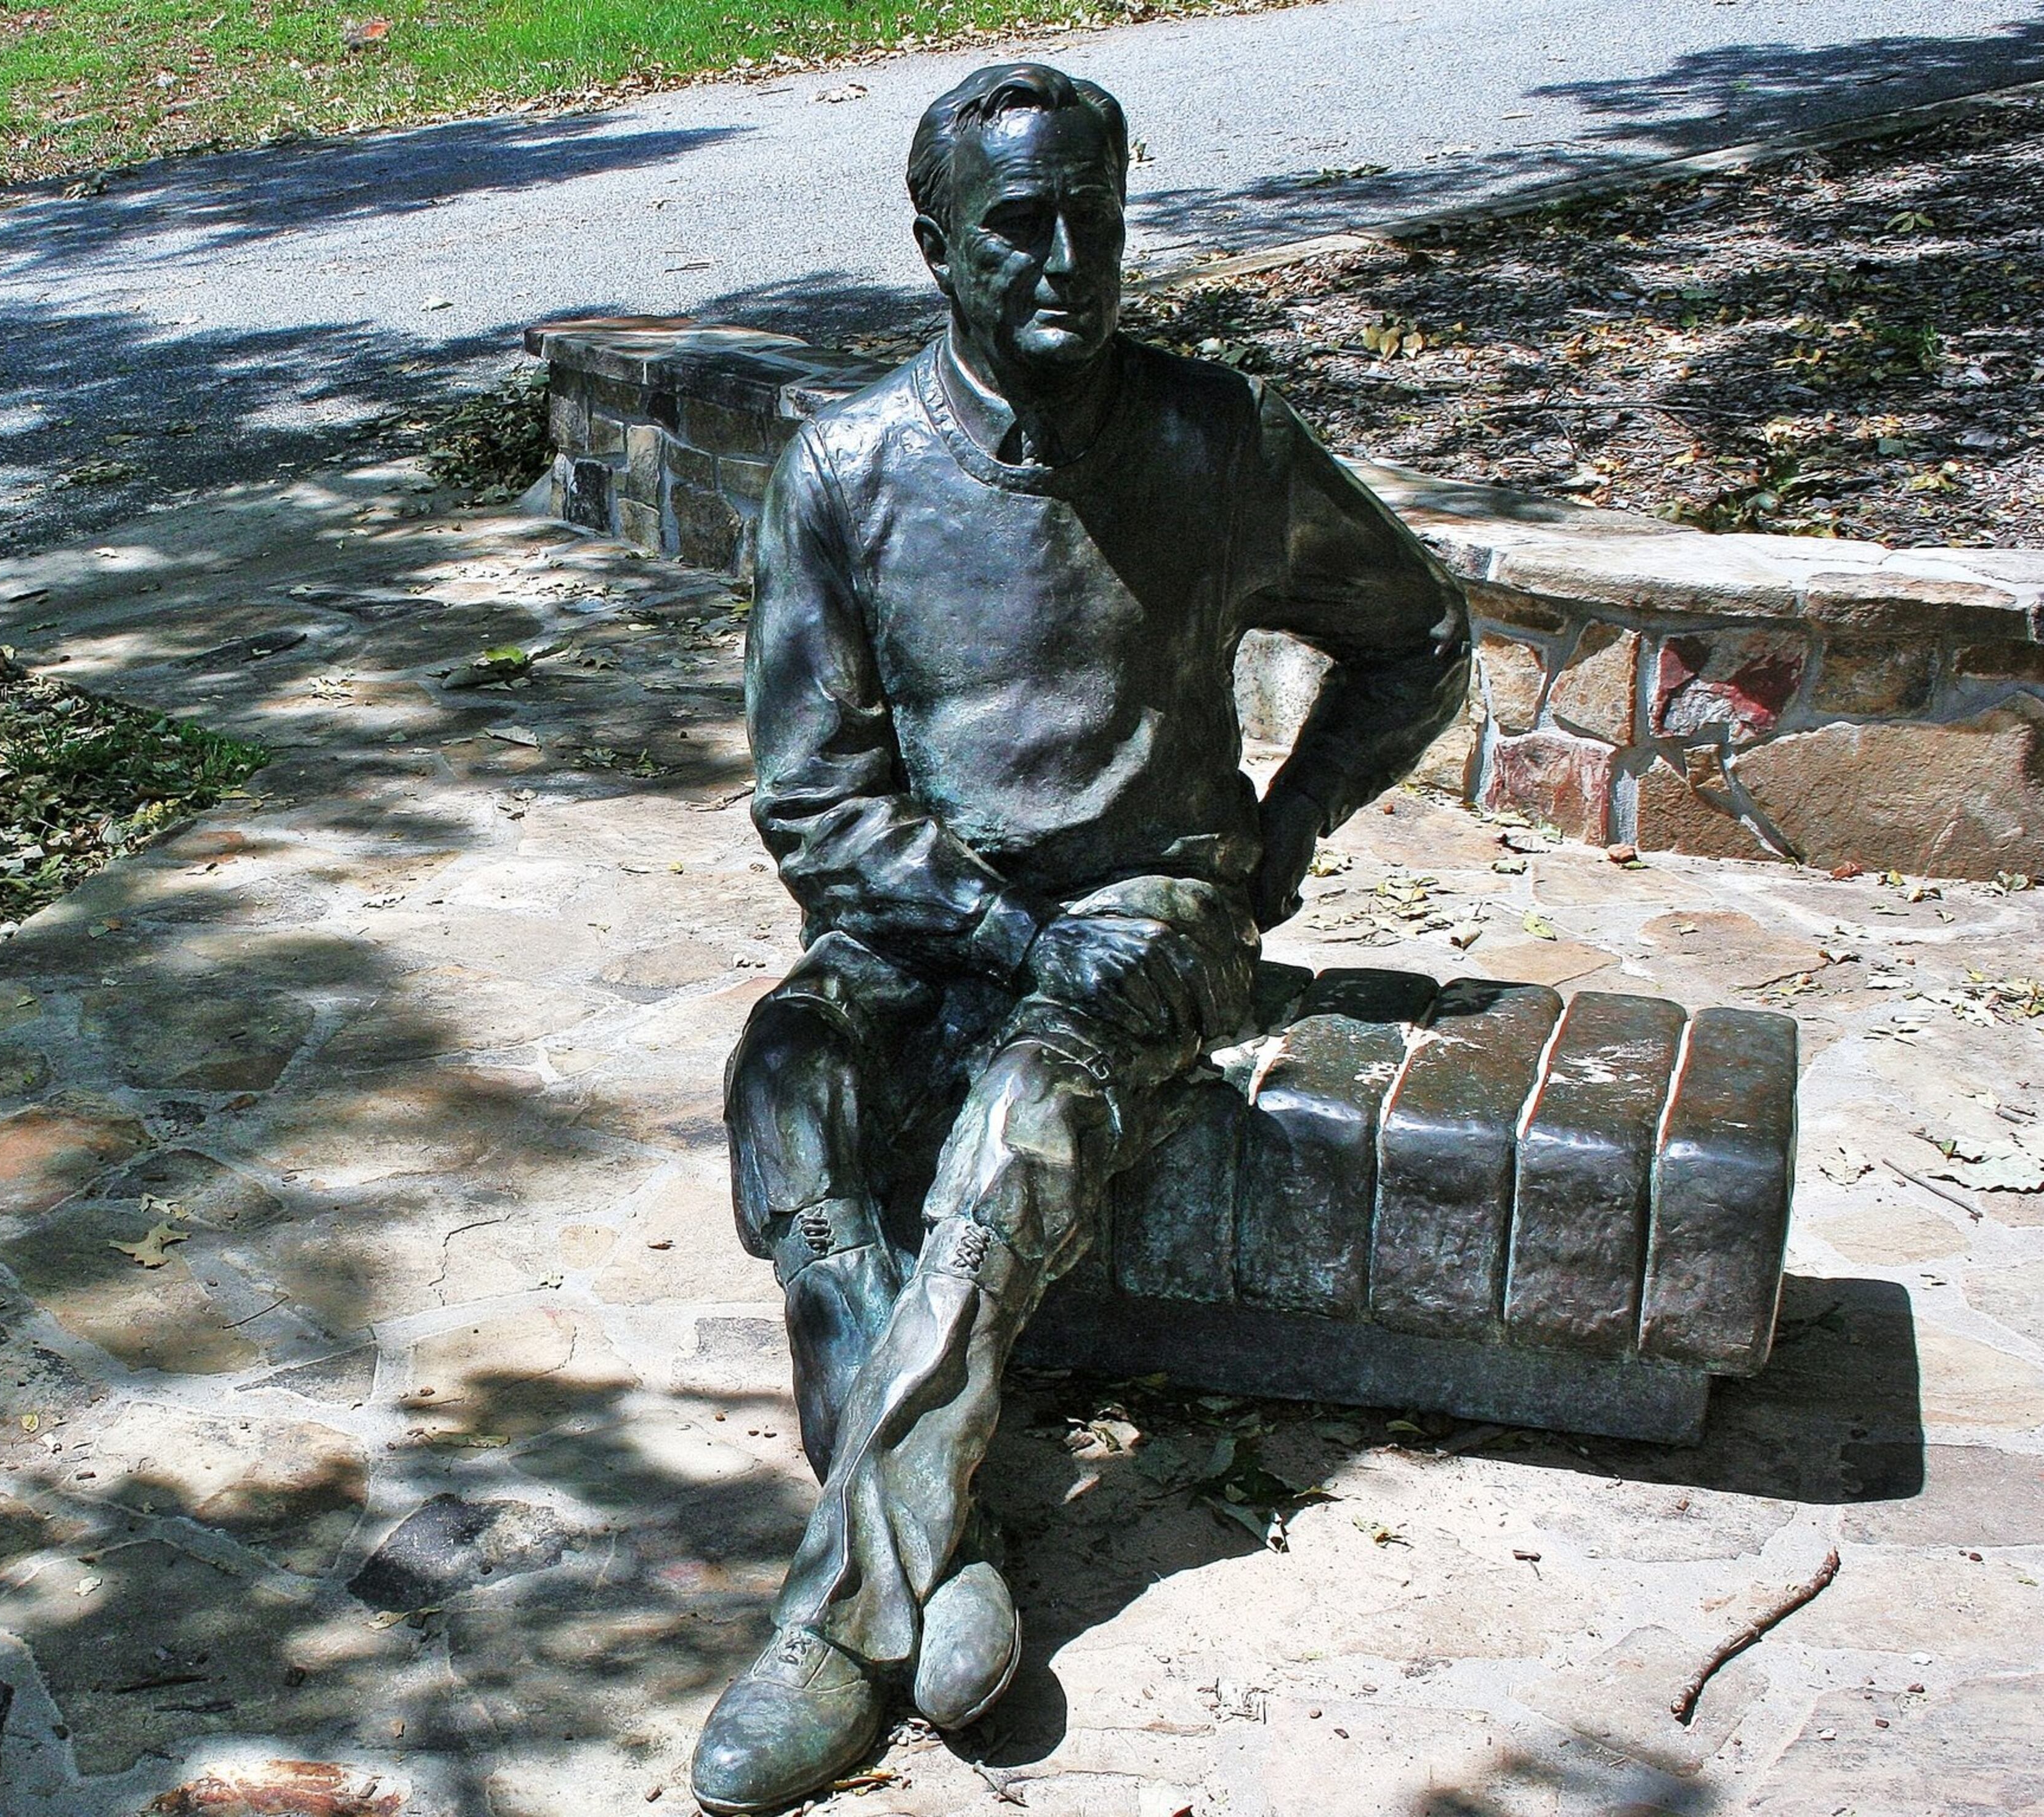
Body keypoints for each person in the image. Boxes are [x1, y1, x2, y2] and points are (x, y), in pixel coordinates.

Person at [693, 61, 1471, 1815]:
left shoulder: (1221, 440)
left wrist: (1286, 828)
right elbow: (813, 802)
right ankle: (941, 1546)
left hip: (1145, 919)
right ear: (937, 248)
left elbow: (1417, 634)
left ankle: (835, 1632)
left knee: (1012, 1141)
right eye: (1019, 228)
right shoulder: (847, 472)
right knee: (787, 1092)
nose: (1066, 262)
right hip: (934, 915)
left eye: (1094, 220)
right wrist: (990, 929)